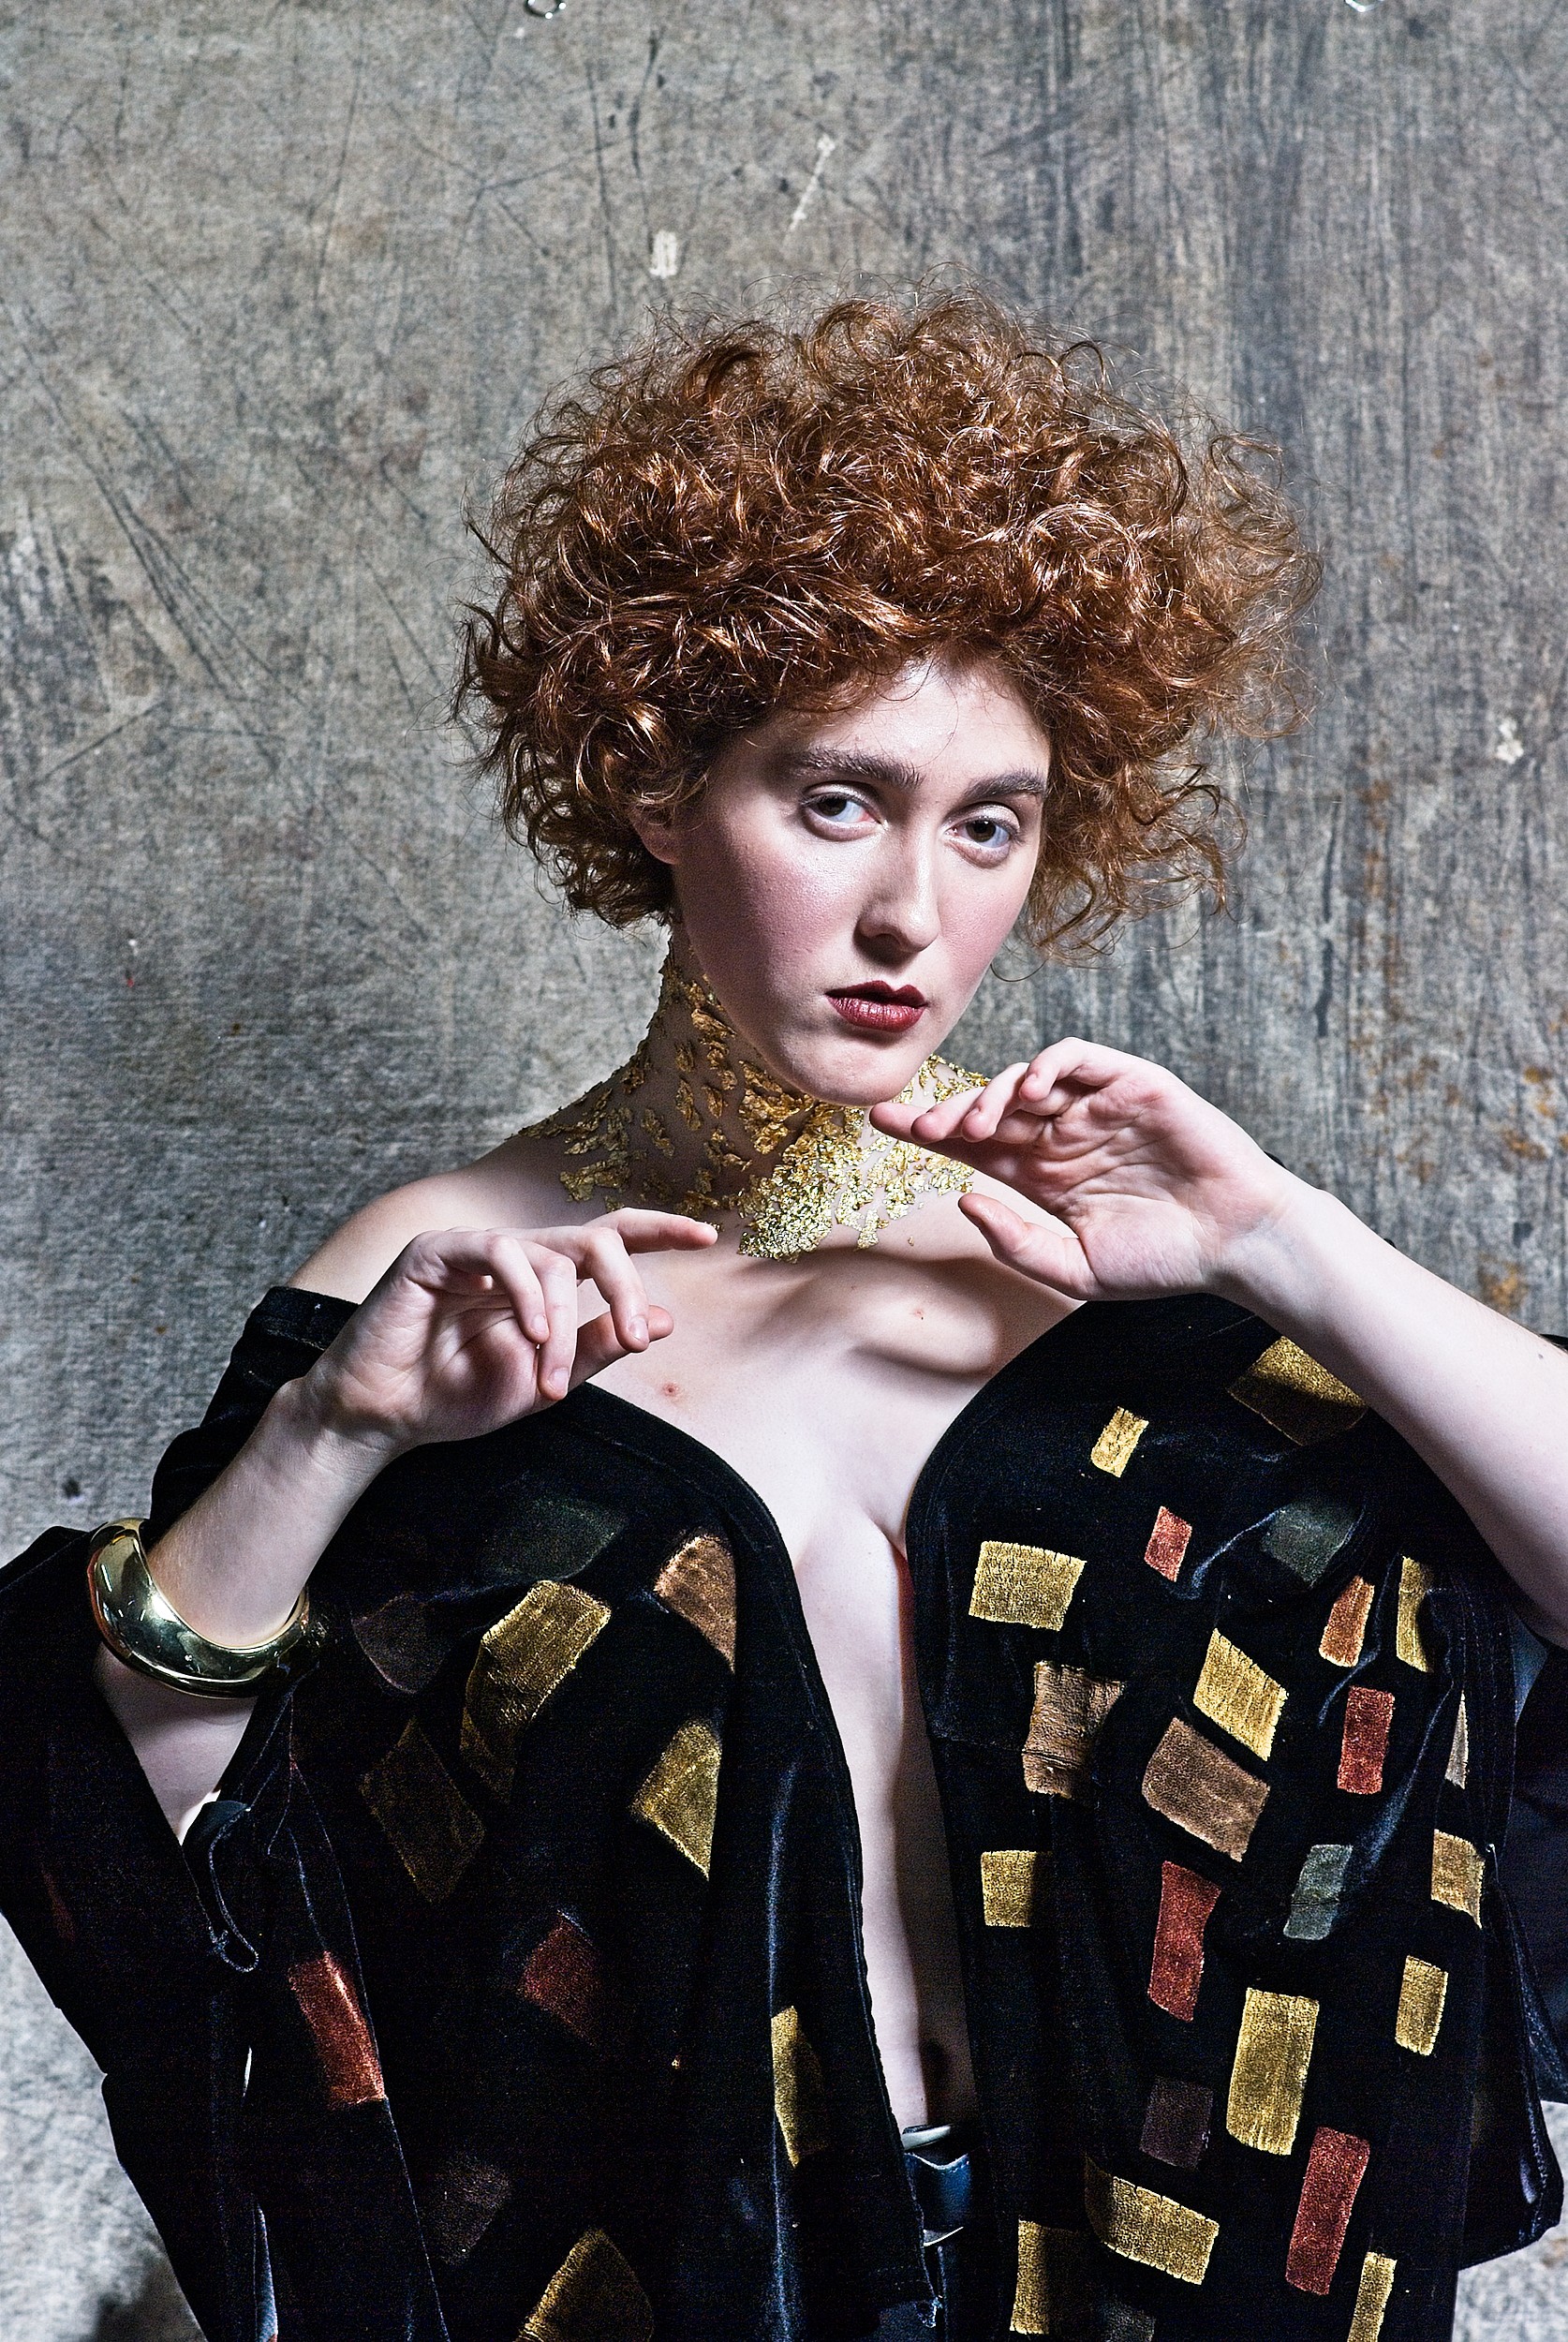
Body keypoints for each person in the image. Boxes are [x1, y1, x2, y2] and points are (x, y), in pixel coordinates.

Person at [2, 290, 1564, 2342]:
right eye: (838, 801)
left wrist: (1286, 1240)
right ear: (662, 787)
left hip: (1144, 2286)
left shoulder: (1135, 1261)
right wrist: (333, 1434)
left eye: (988, 823)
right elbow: (161, 1842)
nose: (914, 910)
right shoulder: (444, 1263)